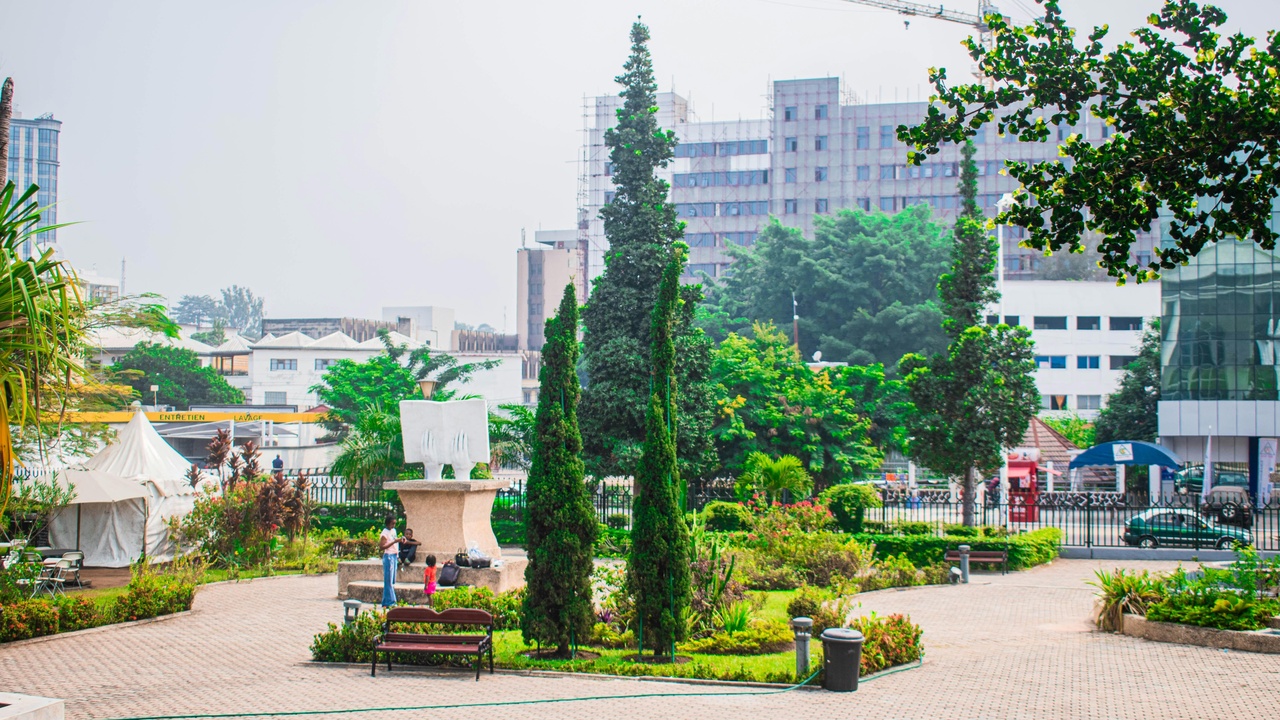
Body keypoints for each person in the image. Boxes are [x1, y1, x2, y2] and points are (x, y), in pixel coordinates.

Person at [378, 516, 401, 607]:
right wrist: (394, 542)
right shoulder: (385, 533)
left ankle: (386, 601)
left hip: (394, 555)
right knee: (388, 581)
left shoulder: (393, 531)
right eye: (392, 523)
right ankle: (391, 601)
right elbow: (381, 547)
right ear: (387, 523)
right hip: (388, 557)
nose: (394, 525)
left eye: (395, 523)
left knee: (392, 580)